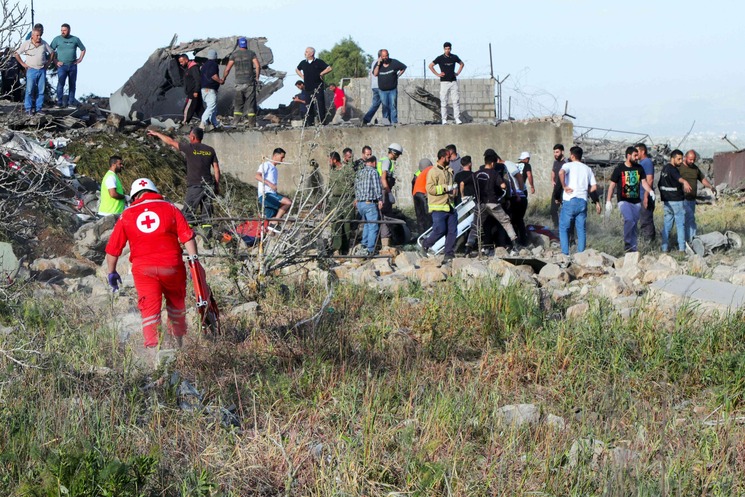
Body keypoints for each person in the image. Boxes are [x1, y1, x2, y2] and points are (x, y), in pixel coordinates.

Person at [105, 178, 198, 356]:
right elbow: (187, 237)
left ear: (134, 196)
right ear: (155, 192)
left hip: (144, 270)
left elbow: (113, 249)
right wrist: (194, 262)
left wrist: (111, 272)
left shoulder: (127, 214)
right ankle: (179, 346)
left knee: (149, 310)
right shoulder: (170, 208)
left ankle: (155, 355)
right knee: (176, 304)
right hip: (172, 266)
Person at [147, 128, 221, 233]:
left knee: (188, 213)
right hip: (209, 186)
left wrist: (157, 133)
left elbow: (170, 141)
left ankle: (186, 238)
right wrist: (216, 186)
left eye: (189, 136)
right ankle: (208, 240)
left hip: (195, 186)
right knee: (207, 215)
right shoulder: (210, 150)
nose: (188, 137)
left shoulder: (189, 148)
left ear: (193, 137)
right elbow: (217, 169)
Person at [464, 152, 517, 256]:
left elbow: (462, 183)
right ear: (493, 163)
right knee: (505, 221)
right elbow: (502, 185)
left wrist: (462, 195)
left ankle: (468, 248)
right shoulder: (494, 173)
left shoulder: (477, 173)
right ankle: (514, 244)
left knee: (476, 226)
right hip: (492, 203)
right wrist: (504, 188)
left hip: (480, 204)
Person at [605, 146, 655, 252]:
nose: (637, 157)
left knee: (634, 224)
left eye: (637, 155)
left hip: (636, 201)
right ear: (628, 156)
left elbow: (644, 182)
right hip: (623, 200)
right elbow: (612, 185)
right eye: (635, 155)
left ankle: (633, 247)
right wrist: (608, 201)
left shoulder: (639, 168)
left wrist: (650, 191)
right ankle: (627, 243)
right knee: (629, 219)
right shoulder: (619, 169)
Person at [558, 146, 601, 255]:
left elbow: (561, 173)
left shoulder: (567, 165)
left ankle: (565, 254)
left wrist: (564, 186)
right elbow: (594, 187)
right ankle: (581, 254)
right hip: (582, 201)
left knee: (564, 228)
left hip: (570, 199)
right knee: (581, 229)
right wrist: (585, 191)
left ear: (572, 155)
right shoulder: (587, 169)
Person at [419, 149, 457, 264]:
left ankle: (448, 254)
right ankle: (425, 244)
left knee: (452, 232)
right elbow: (429, 189)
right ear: (442, 157)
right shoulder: (433, 172)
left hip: (450, 206)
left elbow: (451, 187)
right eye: (448, 157)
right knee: (440, 230)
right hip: (438, 207)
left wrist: (454, 192)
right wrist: (446, 188)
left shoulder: (449, 171)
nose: (450, 159)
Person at [658, 149, 693, 253]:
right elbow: (679, 178)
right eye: (678, 159)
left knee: (667, 225)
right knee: (680, 225)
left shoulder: (664, 169)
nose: (681, 161)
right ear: (672, 158)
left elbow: (660, 184)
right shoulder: (673, 169)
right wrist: (685, 182)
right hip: (676, 201)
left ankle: (664, 248)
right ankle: (682, 249)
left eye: (682, 159)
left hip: (667, 202)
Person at [222, 37, 261, 127]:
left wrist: (223, 78)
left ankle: (235, 123)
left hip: (238, 84)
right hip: (249, 83)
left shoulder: (234, 55)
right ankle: (251, 124)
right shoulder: (251, 54)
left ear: (239, 44)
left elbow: (227, 68)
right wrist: (257, 77)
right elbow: (258, 66)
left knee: (238, 104)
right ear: (246, 44)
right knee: (250, 104)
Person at [15, 26, 53, 115]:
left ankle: (38, 108)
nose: (39, 37)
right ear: (32, 35)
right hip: (31, 69)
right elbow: (16, 53)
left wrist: (47, 64)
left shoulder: (44, 43)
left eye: (40, 35)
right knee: (29, 90)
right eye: (37, 35)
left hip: (41, 69)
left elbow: (52, 52)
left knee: (41, 90)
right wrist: (23, 64)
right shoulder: (26, 44)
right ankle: (28, 108)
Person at [680, 149, 716, 241]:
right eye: (690, 159)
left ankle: (691, 240)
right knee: (687, 220)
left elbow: (702, 179)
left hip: (692, 199)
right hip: (682, 199)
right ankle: (686, 241)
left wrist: (711, 186)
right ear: (685, 157)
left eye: (694, 160)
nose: (692, 161)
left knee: (690, 220)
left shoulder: (695, 168)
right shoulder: (679, 167)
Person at [50, 23, 85, 108]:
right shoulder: (57, 39)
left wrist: (80, 59)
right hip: (62, 65)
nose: (63, 32)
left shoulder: (75, 39)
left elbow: (83, 49)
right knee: (60, 83)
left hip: (72, 65)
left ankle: (71, 102)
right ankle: (59, 102)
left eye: (64, 30)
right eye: (61, 30)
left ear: (69, 30)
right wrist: (55, 61)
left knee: (72, 84)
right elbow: (51, 50)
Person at [354, 155, 383, 256]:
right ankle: (370, 250)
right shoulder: (373, 172)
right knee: (373, 226)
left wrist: (357, 200)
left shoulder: (359, 173)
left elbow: (356, 187)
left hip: (360, 203)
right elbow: (377, 186)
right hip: (369, 203)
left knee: (366, 224)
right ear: (374, 162)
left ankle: (364, 245)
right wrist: (380, 199)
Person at [428, 42, 464, 125]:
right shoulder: (440, 58)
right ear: (444, 49)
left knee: (456, 100)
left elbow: (462, 64)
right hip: (444, 82)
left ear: (450, 49)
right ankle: (444, 119)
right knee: (444, 100)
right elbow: (430, 65)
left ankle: (457, 118)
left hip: (453, 81)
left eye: (448, 49)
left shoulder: (454, 57)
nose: (447, 50)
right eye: (446, 49)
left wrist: (457, 73)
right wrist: (437, 74)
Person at [296, 47, 332, 126]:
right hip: (308, 88)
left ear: (311, 53)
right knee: (309, 106)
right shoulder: (303, 63)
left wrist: (321, 73)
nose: (305, 53)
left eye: (306, 52)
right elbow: (297, 69)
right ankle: (310, 123)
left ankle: (322, 122)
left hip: (318, 87)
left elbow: (329, 68)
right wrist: (302, 76)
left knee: (320, 105)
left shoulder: (318, 62)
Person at [256, 148, 292, 226]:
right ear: (275, 155)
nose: (282, 160)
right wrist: (270, 184)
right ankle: (275, 221)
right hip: (266, 195)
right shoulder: (266, 165)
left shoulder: (275, 169)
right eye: (281, 157)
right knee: (288, 202)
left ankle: (272, 227)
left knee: (271, 222)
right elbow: (257, 176)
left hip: (272, 194)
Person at [328, 151, 356, 253]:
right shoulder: (332, 171)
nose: (329, 162)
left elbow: (354, 184)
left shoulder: (347, 170)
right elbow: (329, 186)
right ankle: (336, 247)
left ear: (335, 160)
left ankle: (345, 248)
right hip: (335, 200)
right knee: (336, 222)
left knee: (346, 223)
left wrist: (355, 198)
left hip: (347, 199)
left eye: (330, 160)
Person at [377, 143, 403, 246]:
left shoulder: (382, 160)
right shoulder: (387, 161)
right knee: (386, 216)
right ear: (394, 153)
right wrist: (389, 193)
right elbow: (383, 178)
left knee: (382, 216)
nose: (398, 157)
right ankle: (385, 244)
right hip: (384, 191)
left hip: (381, 191)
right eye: (398, 155)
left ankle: (382, 242)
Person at [373, 49, 406, 125]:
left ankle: (394, 122)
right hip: (382, 90)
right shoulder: (378, 64)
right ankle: (386, 122)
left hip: (392, 89)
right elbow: (375, 74)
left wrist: (398, 75)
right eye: (383, 56)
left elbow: (403, 67)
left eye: (387, 55)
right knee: (385, 106)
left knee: (393, 106)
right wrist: (378, 64)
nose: (385, 57)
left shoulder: (394, 62)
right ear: (380, 57)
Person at [636, 143, 656, 242]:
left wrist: (646, 196)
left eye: (637, 151)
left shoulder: (647, 162)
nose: (635, 154)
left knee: (646, 220)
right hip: (640, 195)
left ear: (643, 151)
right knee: (643, 220)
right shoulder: (641, 163)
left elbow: (650, 179)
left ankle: (649, 243)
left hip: (645, 195)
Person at [200, 49, 224, 131]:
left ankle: (214, 123)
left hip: (204, 89)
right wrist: (220, 81)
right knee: (211, 106)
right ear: (215, 57)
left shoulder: (204, 65)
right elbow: (213, 75)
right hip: (210, 89)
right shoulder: (213, 64)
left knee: (213, 107)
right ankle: (203, 122)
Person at [178, 53, 203, 125]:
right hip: (192, 92)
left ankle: (185, 122)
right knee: (199, 109)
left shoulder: (193, 68)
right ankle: (207, 122)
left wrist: (196, 91)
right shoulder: (188, 68)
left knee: (187, 109)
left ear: (186, 60)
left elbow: (197, 80)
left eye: (182, 62)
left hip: (193, 93)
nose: (181, 63)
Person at [412, 158, 433, 234]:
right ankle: (429, 235)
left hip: (415, 194)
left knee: (420, 217)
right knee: (427, 216)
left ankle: (421, 236)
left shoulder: (417, 174)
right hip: (423, 194)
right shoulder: (430, 170)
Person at [362, 50, 383, 125]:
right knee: (385, 103)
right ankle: (387, 119)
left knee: (375, 104)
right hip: (380, 86)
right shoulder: (379, 63)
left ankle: (366, 119)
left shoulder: (373, 62)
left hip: (374, 86)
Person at [550, 144, 566, 229]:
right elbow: (553, 171)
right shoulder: (555, 163)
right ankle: (556, 227)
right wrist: (552, 180)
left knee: (565, 211)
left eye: (557, 152)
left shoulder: (567, 163)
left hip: (564, 191)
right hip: (556, 190)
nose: (555, 154)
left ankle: (566, 229)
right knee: (553, 210)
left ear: (562, 152)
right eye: (554, 152)